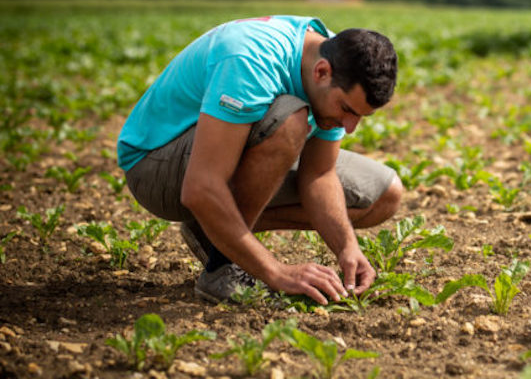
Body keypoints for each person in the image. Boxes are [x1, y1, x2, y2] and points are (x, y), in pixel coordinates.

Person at [116, 15, 402, 305]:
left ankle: (212, 228)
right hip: (155, 165)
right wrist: (275, 271)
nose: (350, 126)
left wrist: (346, 247)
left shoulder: (334, 55)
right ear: (321, 73)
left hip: (220, 158)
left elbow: (319, 174)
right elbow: (201, 186)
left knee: (385, 194)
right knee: (291, 121)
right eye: (345, 109)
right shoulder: (251, 60)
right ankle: (222, 267)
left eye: (360, 117)